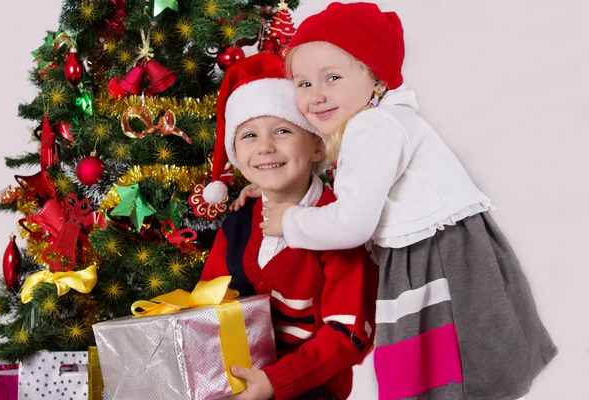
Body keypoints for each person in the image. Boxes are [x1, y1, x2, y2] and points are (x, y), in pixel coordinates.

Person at [230, 3, 557, 399]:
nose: (316, 96)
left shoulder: (374, 127)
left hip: (438, 257)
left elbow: (352, 221)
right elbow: (351, 189)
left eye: (331, 77)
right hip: (427, 254)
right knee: (436, 375)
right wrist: (270, 187)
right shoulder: (372, 124)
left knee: (455, 372)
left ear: (376, 80)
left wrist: (290, 221)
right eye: (303, 83)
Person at [200, 52, 378, 400]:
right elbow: (208, 304)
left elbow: (347, 333)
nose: (265, 147)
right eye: (248, 136)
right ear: (235, 153)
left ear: (315, 146)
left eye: (282, 131)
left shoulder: (340, 227)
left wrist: (275, 382)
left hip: (311, 385)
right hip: (239, 382)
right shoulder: (238, 224)